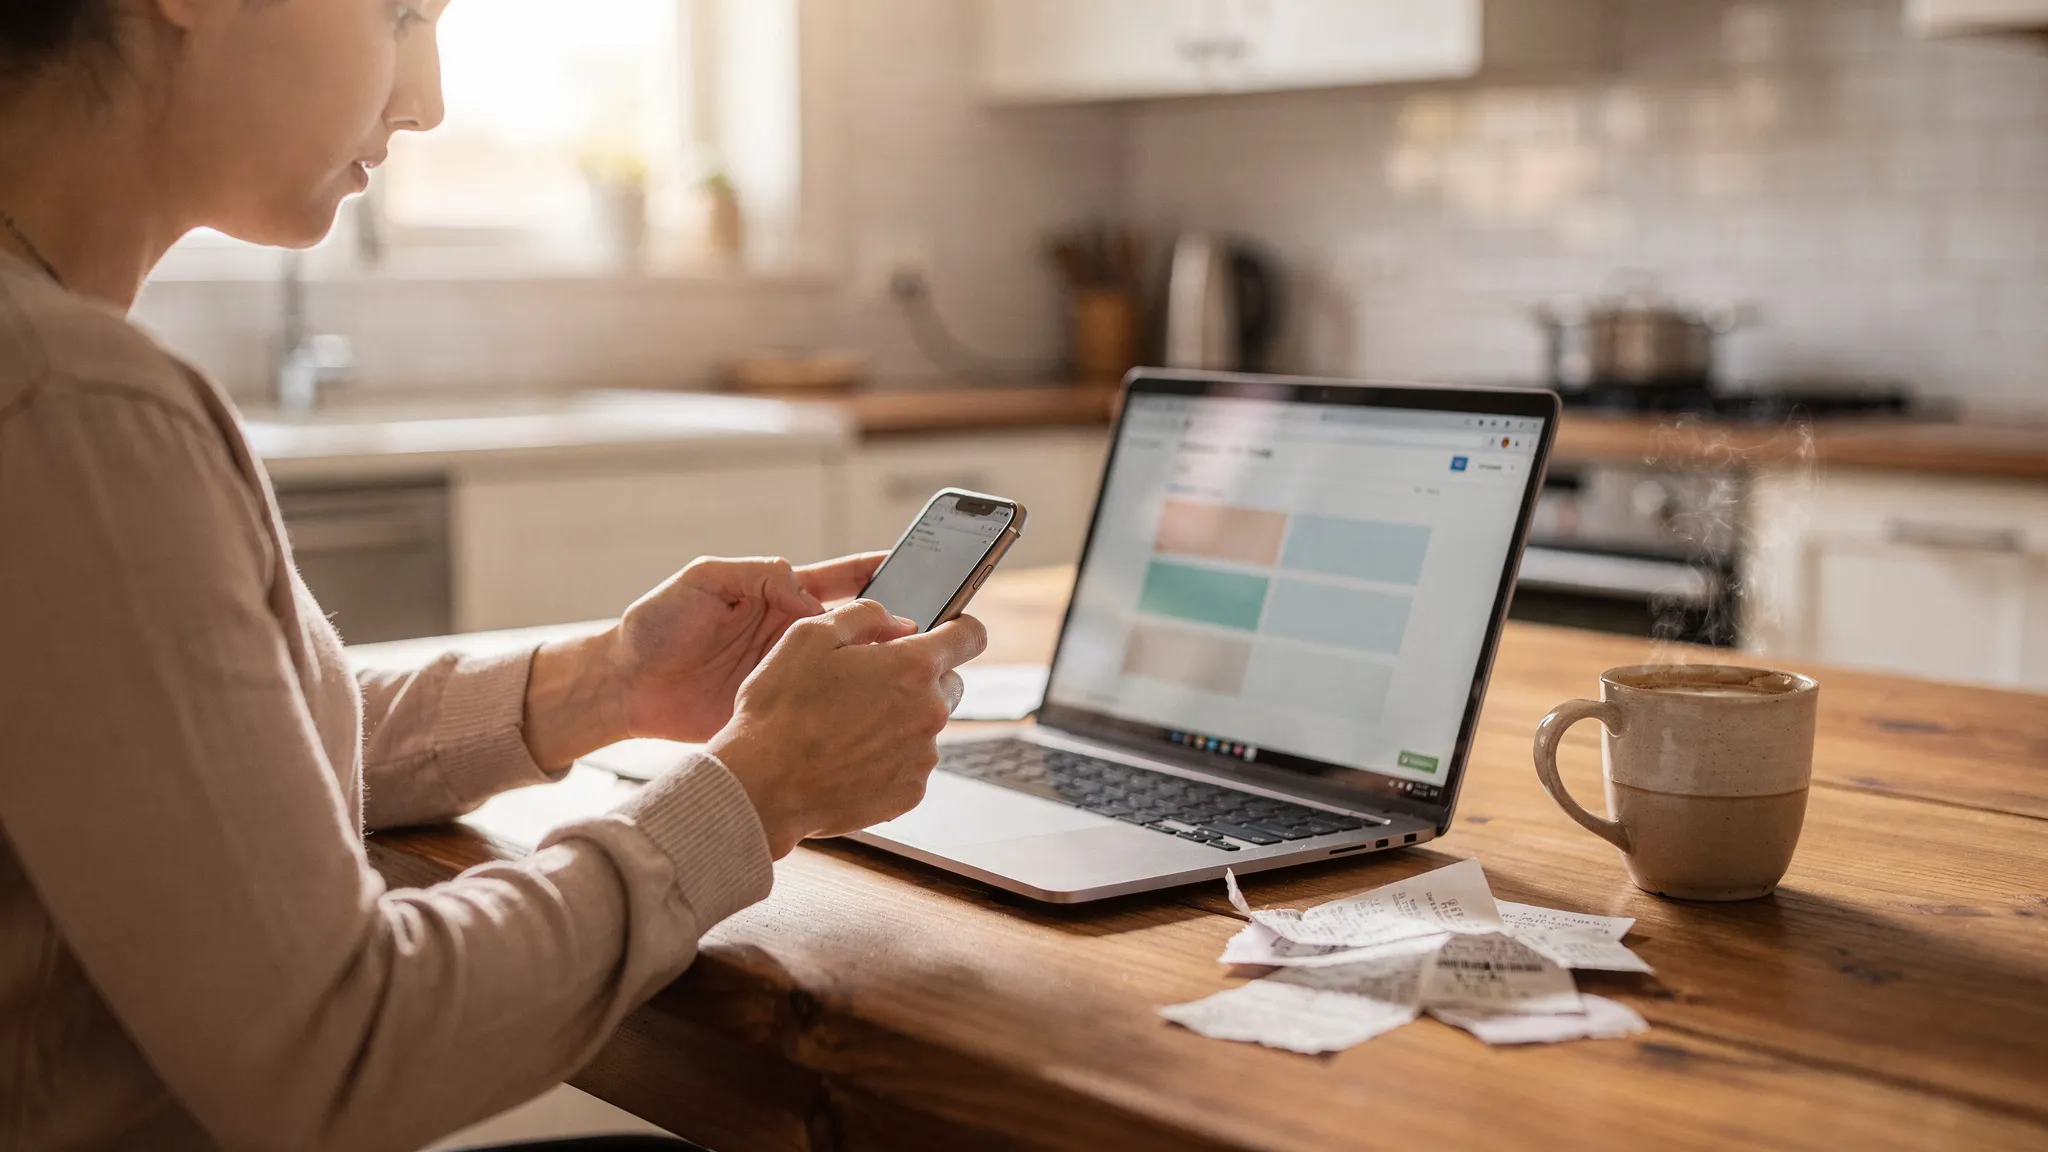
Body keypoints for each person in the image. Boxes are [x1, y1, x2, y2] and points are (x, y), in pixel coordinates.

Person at [0, 2, 988, 1149]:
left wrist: (606, 687)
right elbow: (344, 1054)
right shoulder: (67, 404)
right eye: (401, 12)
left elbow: (178, 775)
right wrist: (760, 791)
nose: (427, 98)